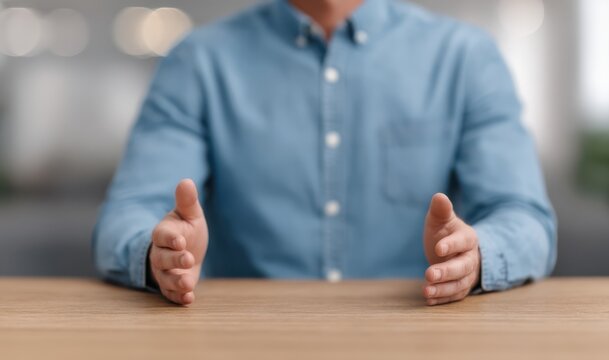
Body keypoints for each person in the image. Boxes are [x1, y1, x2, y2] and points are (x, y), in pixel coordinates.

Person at [93, 0, 557, 306]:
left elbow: (526, 218)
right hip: (244, 343)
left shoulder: (466, 56)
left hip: (420, 339)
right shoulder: (197, 61)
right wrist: (159, 254)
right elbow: (127, 215)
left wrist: (475, 259)